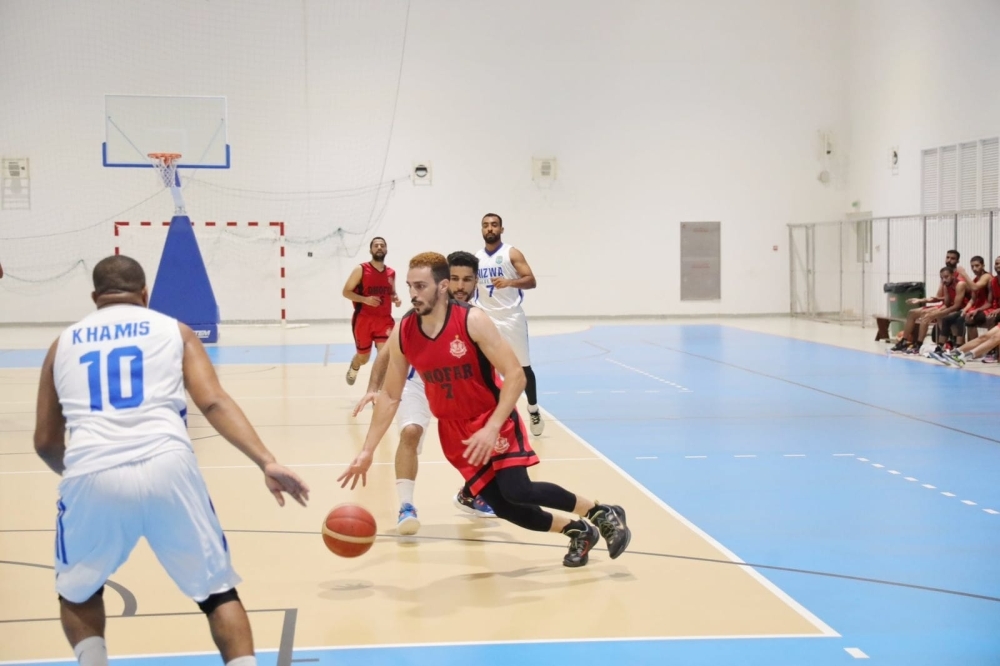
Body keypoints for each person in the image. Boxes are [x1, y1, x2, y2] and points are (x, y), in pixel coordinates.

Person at [33, 255, 310, 666]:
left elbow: (45, 441)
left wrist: (79, 473)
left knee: (78, 592)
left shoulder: (63, 344)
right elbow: (213, 401)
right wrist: (266, 461)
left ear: (95, 297)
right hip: (168, 464)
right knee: (218, 593)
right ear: (145, 294)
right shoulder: (174, 330)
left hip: (91, 469)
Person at [338, 252, 630, 568]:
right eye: (410, 286)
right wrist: (367, 450)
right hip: (454, 431)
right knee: (504, 507)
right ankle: (577, 531)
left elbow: (515, 375)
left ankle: (600, 512)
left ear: (442, 286)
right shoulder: (406, 330)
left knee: (518, 489)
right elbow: (391, 395)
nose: (413, 294)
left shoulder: (472, 320)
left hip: (491, 418)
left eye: (421, 286)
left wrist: (492, 427)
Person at [352, 251, 496, 535]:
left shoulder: (473, 316)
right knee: (410, 432)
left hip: (454, 383)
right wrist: (372, 389)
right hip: (417, 383)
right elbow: (387, 353)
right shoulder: (417, 315)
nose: (459, 285)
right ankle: (406, 506)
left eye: (465, 280)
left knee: (476, 440)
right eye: (454, 279)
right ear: (444, 283)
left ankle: (470, 493)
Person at [474, 213, 544, 436]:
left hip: (511, 317)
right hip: (486, 318)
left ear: (501, 229)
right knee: (484, 368)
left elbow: (531, 281)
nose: (490, 228)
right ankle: (492, 414)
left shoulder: (511, 253)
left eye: (494, 225)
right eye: (486, 225)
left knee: (523, 367)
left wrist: (509, 282)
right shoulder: (476, 258)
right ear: (481, 229)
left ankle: (533, 408)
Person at [342, 237, 402, 385]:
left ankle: (378, 393)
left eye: (382, 245)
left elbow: (391, 293)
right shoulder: (361, 269)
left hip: (384, 320)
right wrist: (365, 299)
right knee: (364, 358)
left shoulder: (391, 272)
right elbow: (346, 292)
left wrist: (395, 298)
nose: (379, 247)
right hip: (364, 320)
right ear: (371, 250)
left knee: (385, 358)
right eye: (376, 245)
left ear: (386, 249)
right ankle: (355, 365)